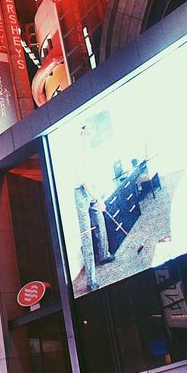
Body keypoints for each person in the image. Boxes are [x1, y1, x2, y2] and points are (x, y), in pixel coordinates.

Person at [74, 123, 114, 292]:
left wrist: (98, 196)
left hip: (91, 190)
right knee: (87, 237)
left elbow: (92, 178)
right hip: (81, 193)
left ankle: (104, 255)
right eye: (85, 134)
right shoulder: (77, 154)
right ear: (81, 135)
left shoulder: (90, 152)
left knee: (100, 222)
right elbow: (84, 181)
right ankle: (91, 281)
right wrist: (97, 198)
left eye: (89, 133)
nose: (88, 137)